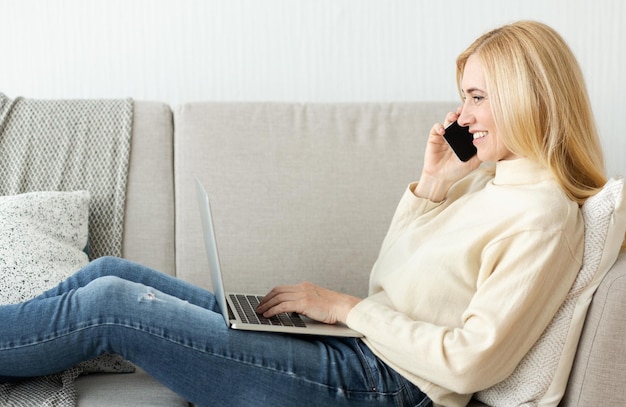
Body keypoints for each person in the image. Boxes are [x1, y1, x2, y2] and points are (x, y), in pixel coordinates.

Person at [0, 20, 609, 407]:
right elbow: (392, 277)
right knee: (116, 271)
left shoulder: (543, 215)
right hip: (361, 348)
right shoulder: (490, 182)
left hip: (385, 387)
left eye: (478, 96)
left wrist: (344, 308)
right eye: (464, 96)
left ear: (529, 97)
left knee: (111, 303)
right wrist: (432, 184)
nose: (463, 115)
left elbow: (474, 359)